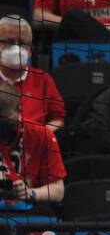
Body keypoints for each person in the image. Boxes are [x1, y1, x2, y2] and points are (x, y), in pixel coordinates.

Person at [0, 75, 64, 206]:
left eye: (4, 120)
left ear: (19, 110)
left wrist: (30, 193)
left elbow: (58, 191)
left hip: (29, 214)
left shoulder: (41, 135)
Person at [0, 14, 64, 135]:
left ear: (30, 50)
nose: (16, 48)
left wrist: (39, 136)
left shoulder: (43, 79)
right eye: (9, 41)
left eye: (22, 43)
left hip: (35, 147)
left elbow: (58, 119)